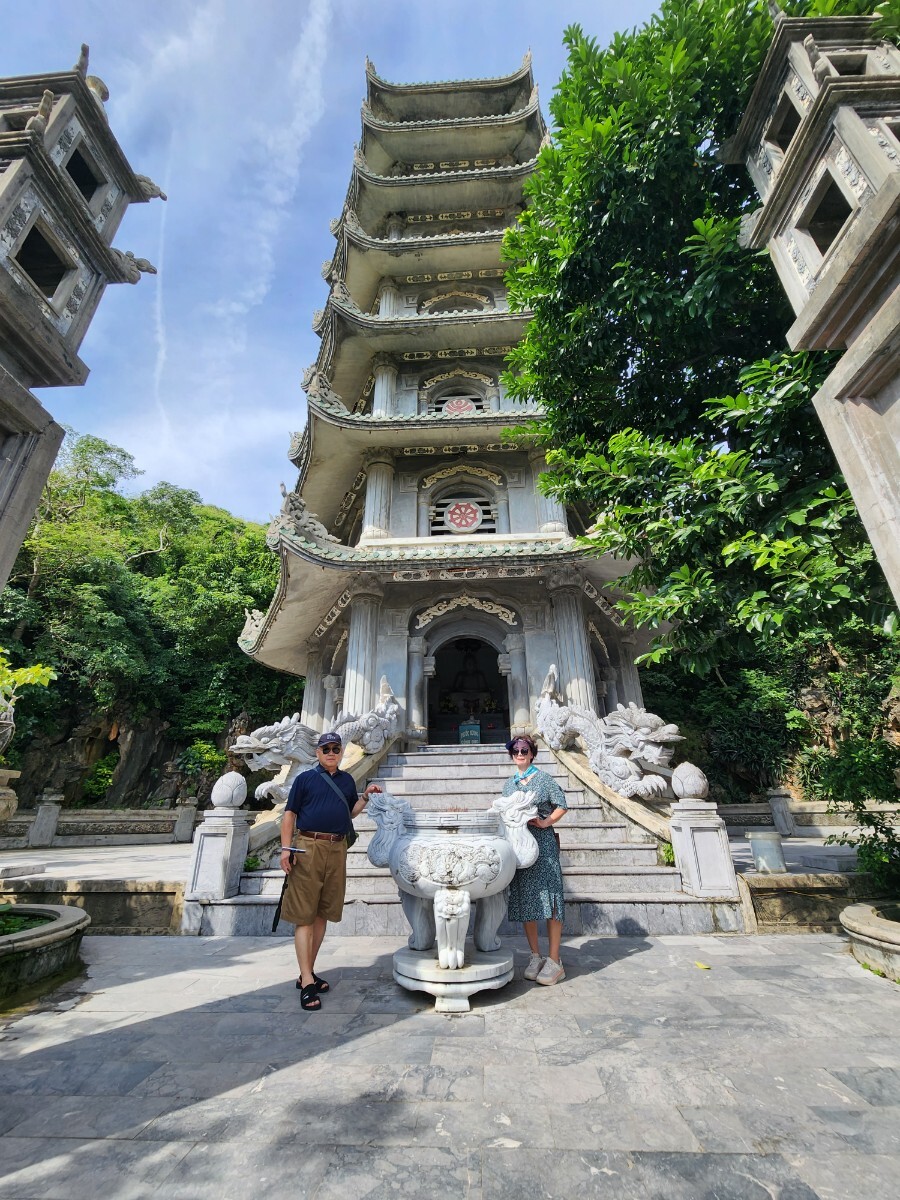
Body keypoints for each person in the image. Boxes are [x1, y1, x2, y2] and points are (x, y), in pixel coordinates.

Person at [279, 731, 381, 1010]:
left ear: (341, 752)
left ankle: (307, 973)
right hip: (308, 847)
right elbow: (289, 814)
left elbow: (349, 812)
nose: (332, 753)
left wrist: (365, 797)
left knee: (323, 912)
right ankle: (307, 980)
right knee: (304, 915)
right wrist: (286, 849)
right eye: (326, 749)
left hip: (337, 849)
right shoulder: (305, 779)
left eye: (336, 748)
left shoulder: (347, 780)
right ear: (318, 753)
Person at [503, 734, 568, 985]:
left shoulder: (544, 779)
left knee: (551, 899)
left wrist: (545, 822)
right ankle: (535, 956)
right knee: (527, 900)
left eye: (524, 750)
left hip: (544, 845)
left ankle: (554, 960)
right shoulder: (509, 785)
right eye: (515, 750)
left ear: (532, 753)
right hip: (520, 847)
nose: (519, 754)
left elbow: (561, 805)